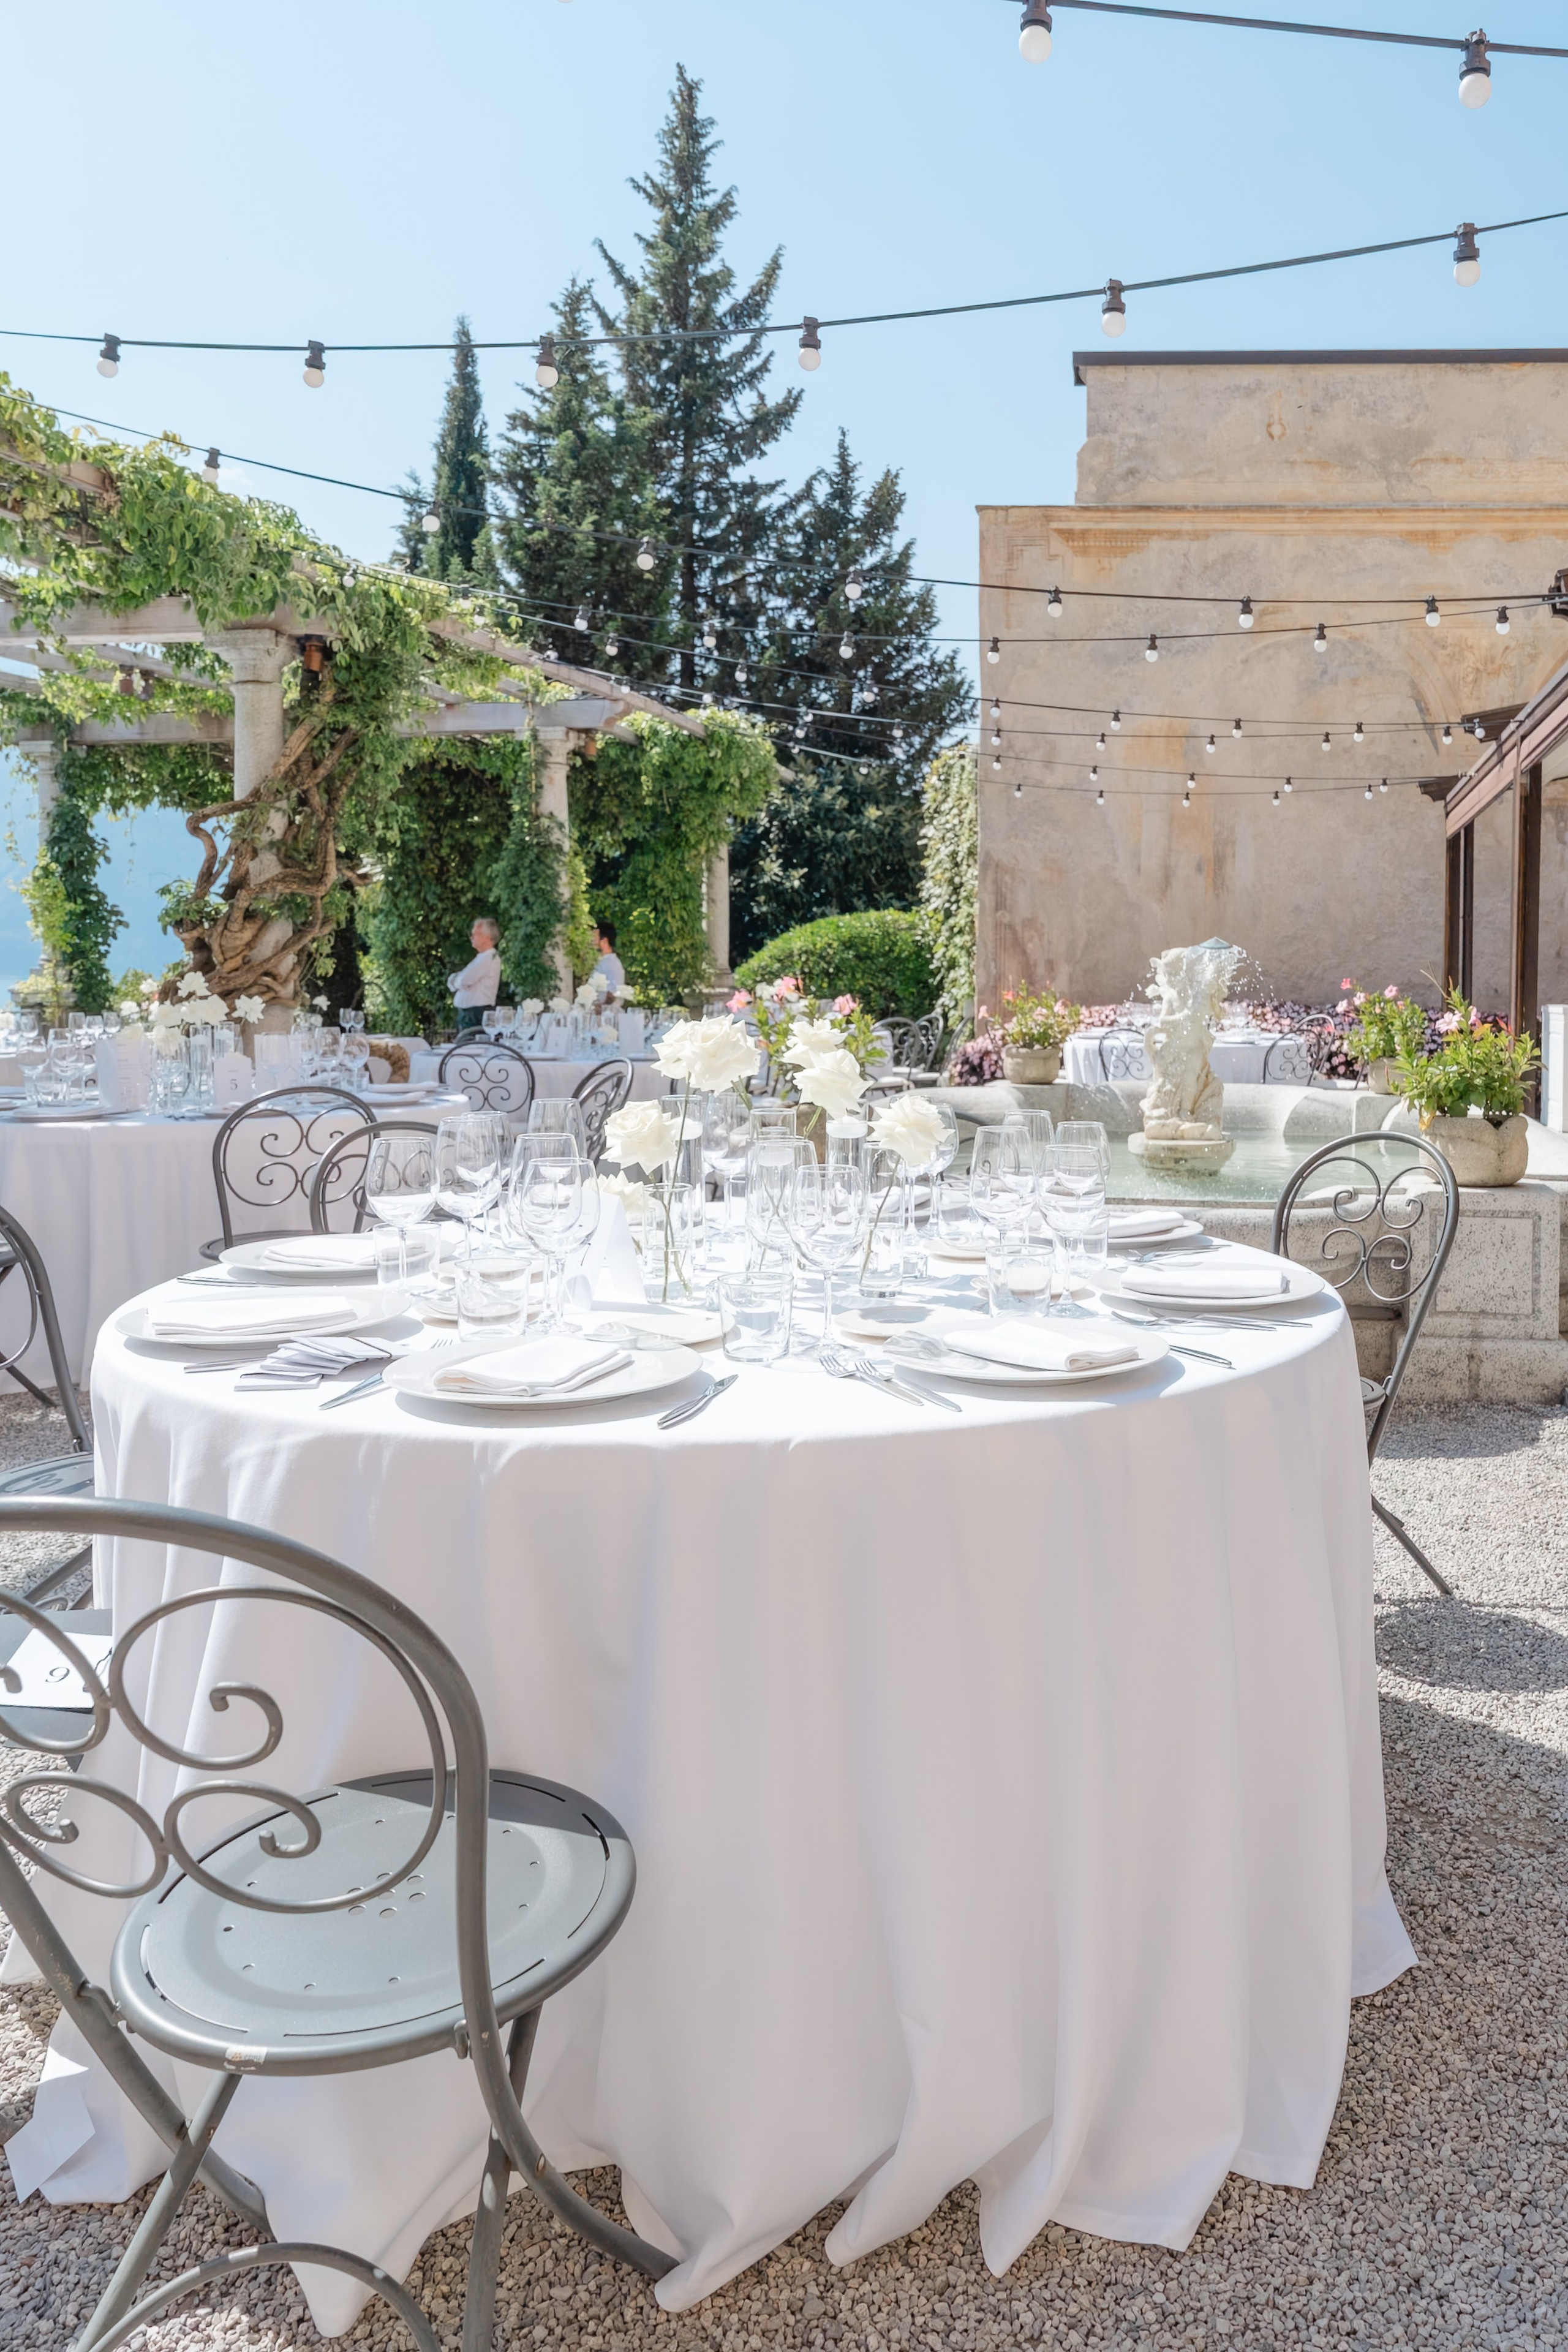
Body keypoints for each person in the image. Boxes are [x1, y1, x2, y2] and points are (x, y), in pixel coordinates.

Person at [448, 917, 502, 1033]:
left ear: (487, 937)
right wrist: (457, 980)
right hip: (470, 1014)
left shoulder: (488, 958)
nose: (472, 937)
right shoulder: (482, 958)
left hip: (476, 1014)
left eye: (476, 934)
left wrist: (455, 980)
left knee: (471, 1048)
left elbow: (464, 980)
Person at [592, 918, 626, 997]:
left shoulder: (612, 964)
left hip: (606, 1009)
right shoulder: (602, 962)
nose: (592, 942)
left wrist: (598, 1005)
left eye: (594, 937)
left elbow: (613, 993)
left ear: (604, 941)